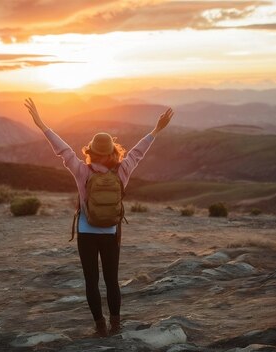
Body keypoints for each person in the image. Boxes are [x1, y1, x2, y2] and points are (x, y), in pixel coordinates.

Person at [24, 98, 174, 336]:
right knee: (112, 280)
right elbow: (137, 153)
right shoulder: (122, 170)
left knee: (91, 281)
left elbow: (64, 151)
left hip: (86, 232)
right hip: (110, 233)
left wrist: (42, 125)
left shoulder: (82, 171)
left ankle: (100, 326)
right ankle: (116, 324)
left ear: (90, 151)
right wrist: (156, 130)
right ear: (114, 152)